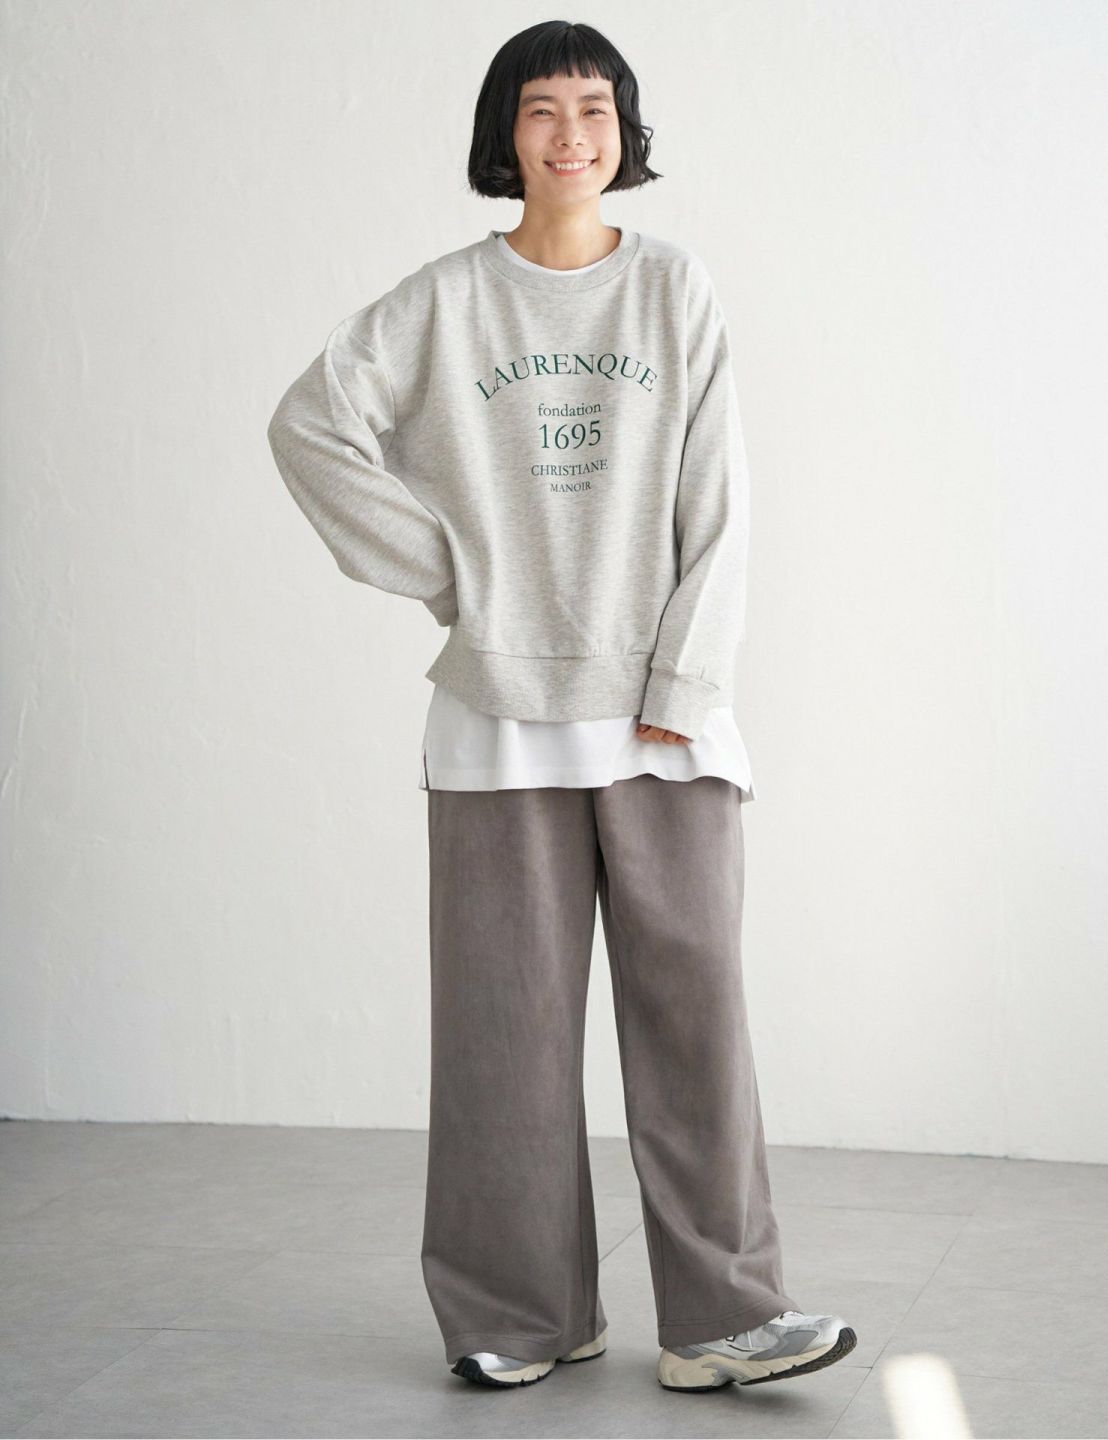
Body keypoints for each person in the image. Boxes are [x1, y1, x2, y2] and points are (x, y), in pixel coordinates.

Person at [266, 18, 856, 1393]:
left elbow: (720, 502)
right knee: (504, 1039)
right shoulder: (442, 303)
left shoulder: (673, 289)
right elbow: (308, 426)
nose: (571, 133)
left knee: (695, 1028)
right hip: (497, 720)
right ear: (505, 133)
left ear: (624, 131)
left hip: (663, 720)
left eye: (595, 107)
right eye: (542, 108)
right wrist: (458, 580)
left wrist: (685, 680)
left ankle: (722, 1320)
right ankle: (523, 1314)